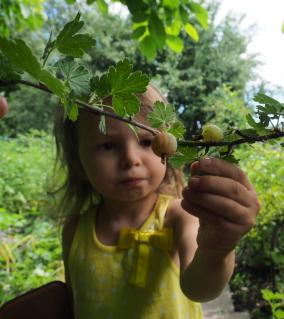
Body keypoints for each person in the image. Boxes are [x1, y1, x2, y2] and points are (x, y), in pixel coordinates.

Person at [46, 84, 261, 319]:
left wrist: (216, 250)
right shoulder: (75, 230)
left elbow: (200, 289)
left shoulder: (179, 216)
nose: (131, 159)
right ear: (79, 163)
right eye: (108, 145)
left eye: (148, 142)